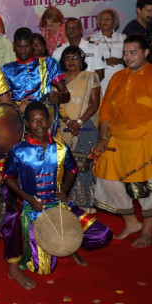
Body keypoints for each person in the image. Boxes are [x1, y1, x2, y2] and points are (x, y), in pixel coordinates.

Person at [4, 102, 113, 289]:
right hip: (34, 210)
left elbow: (73, 169)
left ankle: (70, 245)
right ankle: (51, 243)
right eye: (34, 121)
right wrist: (28, 199)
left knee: (103, 235)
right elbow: (7, 178)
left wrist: (65, 188)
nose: (39, 125)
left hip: (61, 206)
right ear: (27, 124)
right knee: (44, 269)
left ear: (49, 121)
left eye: (43, 120)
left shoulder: (60, 146)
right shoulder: (19, 150)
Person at [92, 35, 152, 248]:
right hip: (119, 139)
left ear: (146, 52)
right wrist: (103, 138)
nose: (128, 57)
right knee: (106, 179)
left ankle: (148, 231)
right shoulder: (117, 77)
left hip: (148, 140)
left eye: (133, 52)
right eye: (125, 53)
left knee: (147, 188)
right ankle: (132, 222)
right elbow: (105, 111)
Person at [56, 45, 101, 210]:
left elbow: (95, 104)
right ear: (63, 62)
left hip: (86, 127)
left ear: (81, 60)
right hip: (63, 128)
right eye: (68, 58)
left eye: (75, 57)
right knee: (65, 167)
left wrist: (79, 122)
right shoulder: (58, 80)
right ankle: (67, 203)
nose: (72, 61)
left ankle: (85, 206)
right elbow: (56, 105)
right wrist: (69, 122)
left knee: (83, 167)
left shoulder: (90, 77)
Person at [1, 28, 70, 113]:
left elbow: (66, 94)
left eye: (26, 46)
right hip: (18, 117)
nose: (23, 50)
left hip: (45, 115)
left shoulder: (48, 63)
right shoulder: (6, 70)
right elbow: (4, 101)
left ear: (33, 45)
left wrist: (59, 96)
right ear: (14, 46)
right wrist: (18, 109)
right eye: (20, 46)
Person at [88, 8, 125, 94]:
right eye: (102, 19)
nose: (105, 21)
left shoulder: (123, 38)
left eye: (108, 19)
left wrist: (119, 60)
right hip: (102, 77)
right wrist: (103, 61)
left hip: (120, 76)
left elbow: (129, 58)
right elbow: (88, 60)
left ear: (114, 21)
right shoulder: (92, 39)